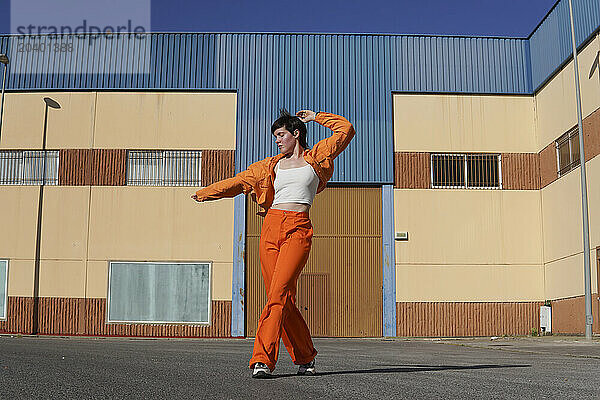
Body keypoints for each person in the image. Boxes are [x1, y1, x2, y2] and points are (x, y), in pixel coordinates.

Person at [192, 109, 355, 378]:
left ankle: (262, 360)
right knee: (281, 299)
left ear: (296, 134)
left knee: (278, 296)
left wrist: (315, 117)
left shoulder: (316, 157)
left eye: (281, 135)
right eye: (275, 136)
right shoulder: (269, 166)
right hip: (270, 228)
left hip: (298, 229)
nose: (277, 140)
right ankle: (305, 357)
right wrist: (205, 193)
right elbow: (239, 182)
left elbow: (345, 130)